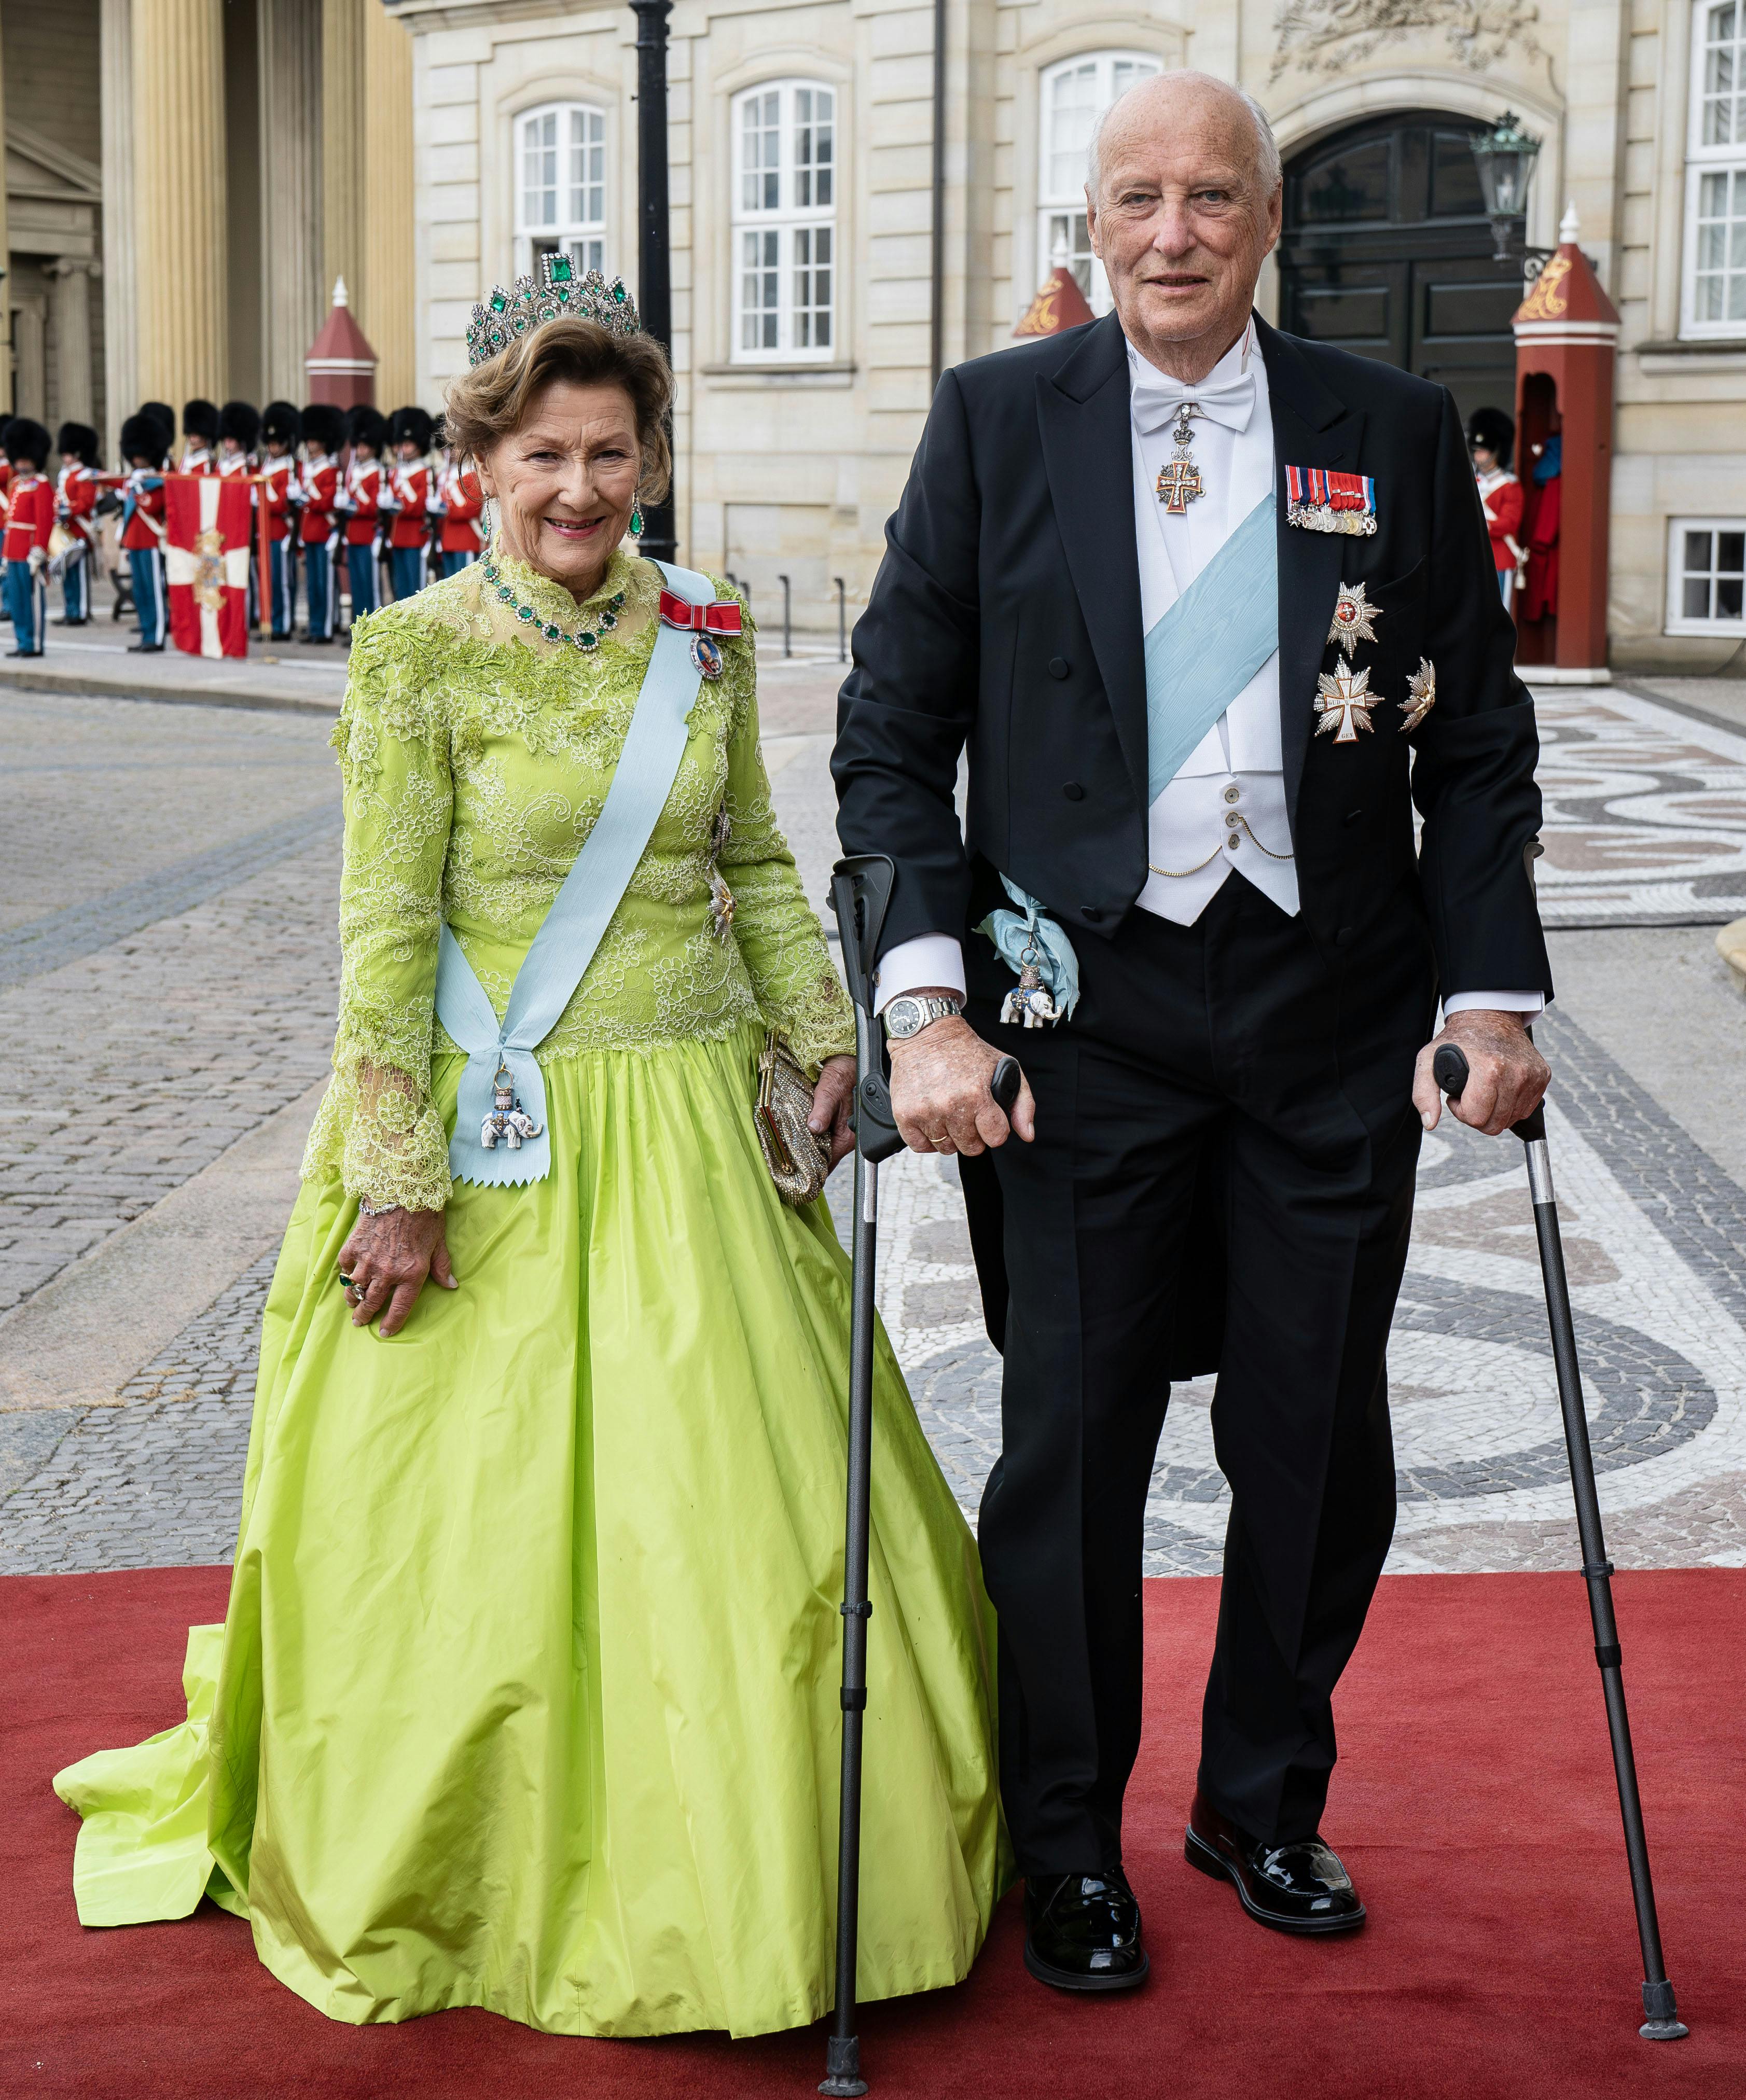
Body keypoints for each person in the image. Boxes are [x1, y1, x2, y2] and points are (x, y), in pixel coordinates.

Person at [54, 277, 1005, 2037]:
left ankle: (751, 1864)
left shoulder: (703, 636)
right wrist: (394, 1172)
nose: (582, 487)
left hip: (690, 1139)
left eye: (612, 454)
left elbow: (763, 874)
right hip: (494, 1145)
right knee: (463, 1535)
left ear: (647, 457)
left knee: (732, 1526)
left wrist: (817, 1043)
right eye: (547, 453)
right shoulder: (413, 650)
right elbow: (384, 932)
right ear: (481, 457)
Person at [834, 70, 1551, 1992]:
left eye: (1212, 195)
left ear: (1266, 221)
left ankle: (1260, 1798)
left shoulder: (1386, 431)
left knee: (1320, 1437)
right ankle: (1067, 1838)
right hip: (1084, 1022)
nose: (1175, 228)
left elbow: (1475, 748)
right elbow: (894, 742)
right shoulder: (999, 422)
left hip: (1331, 1012)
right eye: (1139, 195)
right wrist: (924, 1010)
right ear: (1093, 221)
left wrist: (1490, 988)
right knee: (1074, 1436)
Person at [2, 418, 54, 657]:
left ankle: (34, 644)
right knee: (17, 599)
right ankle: (22, 641)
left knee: (32, 601)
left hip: (30, 551)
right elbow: (10, 521)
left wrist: (40, 549)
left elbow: (45, 520)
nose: (22, 463)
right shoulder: (16, 484)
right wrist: (5, 555)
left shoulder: (41, 486)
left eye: (26, 458)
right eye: (19, 458)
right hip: (13, 550)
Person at [118, 414, 169, 652]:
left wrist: (137, 490)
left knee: (154, 590)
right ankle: (146, 632)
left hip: (150, 541)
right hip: (135, 542)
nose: (137, 458)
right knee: (140, 591)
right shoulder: (134, 480)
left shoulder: (156, 480)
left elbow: (152, 506)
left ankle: (157, 637)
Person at [297, 403, 344, 643]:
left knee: (324, 585)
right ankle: (315, 626)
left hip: (325, 532)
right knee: (313, 585)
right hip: (310, 532)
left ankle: (325, 629)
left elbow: (327, 502)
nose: (310, 442)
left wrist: (307, 496)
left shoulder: (330, 470)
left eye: (315, 439)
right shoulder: (309, 468)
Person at [1469, 407, 1523, 610]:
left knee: (1500, 611)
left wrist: (1478, 524)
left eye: (1483, 451)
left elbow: (1508, 524)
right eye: (1477, 451)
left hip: (1500, 560)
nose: (1478, 456)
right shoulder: (1473, 483)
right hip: (1476, 558)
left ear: (1496, 452)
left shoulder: (1510, 486)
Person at [339, 405, 387, 624]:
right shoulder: (354, 471)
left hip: (368, 533)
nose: (360, 450)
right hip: (354, 534)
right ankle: (358, 625)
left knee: (370, 586)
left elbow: (373, 506)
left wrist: (356, 504)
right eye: (358, 445)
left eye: (364, 446)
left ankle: (372, 625)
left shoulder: (377, 471)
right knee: (357, 585)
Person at [259, 401, 301, 641]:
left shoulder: (290, 468)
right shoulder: (267, 466)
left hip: (282, 531)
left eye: (277, 443)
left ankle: (283, 624)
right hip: (266, 532)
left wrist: (264, 496)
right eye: (271, 442)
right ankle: (271, 622)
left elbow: (280, 504)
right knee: (270, 583)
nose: (273, 447)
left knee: (283, 582)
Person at [53, 421, 102, 627]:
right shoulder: (65, 474)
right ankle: (70, 610)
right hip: (67, 530)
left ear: (78, 453)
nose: (65, 457)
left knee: (79, 575)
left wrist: (68, 510)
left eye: (69, 453)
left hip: (80, 529)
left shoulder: (85, 474)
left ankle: (80, 612)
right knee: (67, 574)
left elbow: (86, 502)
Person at [385, 405, 433, 600]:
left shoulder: (425, 472)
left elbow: (419, 505)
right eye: (401, 444)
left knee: (416, 588)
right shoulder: (396, 472)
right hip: (397, 536)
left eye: (408, 444)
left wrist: (404, 490)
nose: (403, 449)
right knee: (400, 586)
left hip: (415, 535)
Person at [432, 420, 485, 574]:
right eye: (450, 447)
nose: (453, 452)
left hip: (467, 539)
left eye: (457, 447)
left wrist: (446, 507)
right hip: (447, 540)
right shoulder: (445, 475)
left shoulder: (473, 474)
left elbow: (469, 510)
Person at [179, 399, 220, 476]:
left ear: (206, 436)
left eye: (195, 436)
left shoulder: (210, 465)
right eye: (190, 435)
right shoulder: (185, 461)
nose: (191, 440)